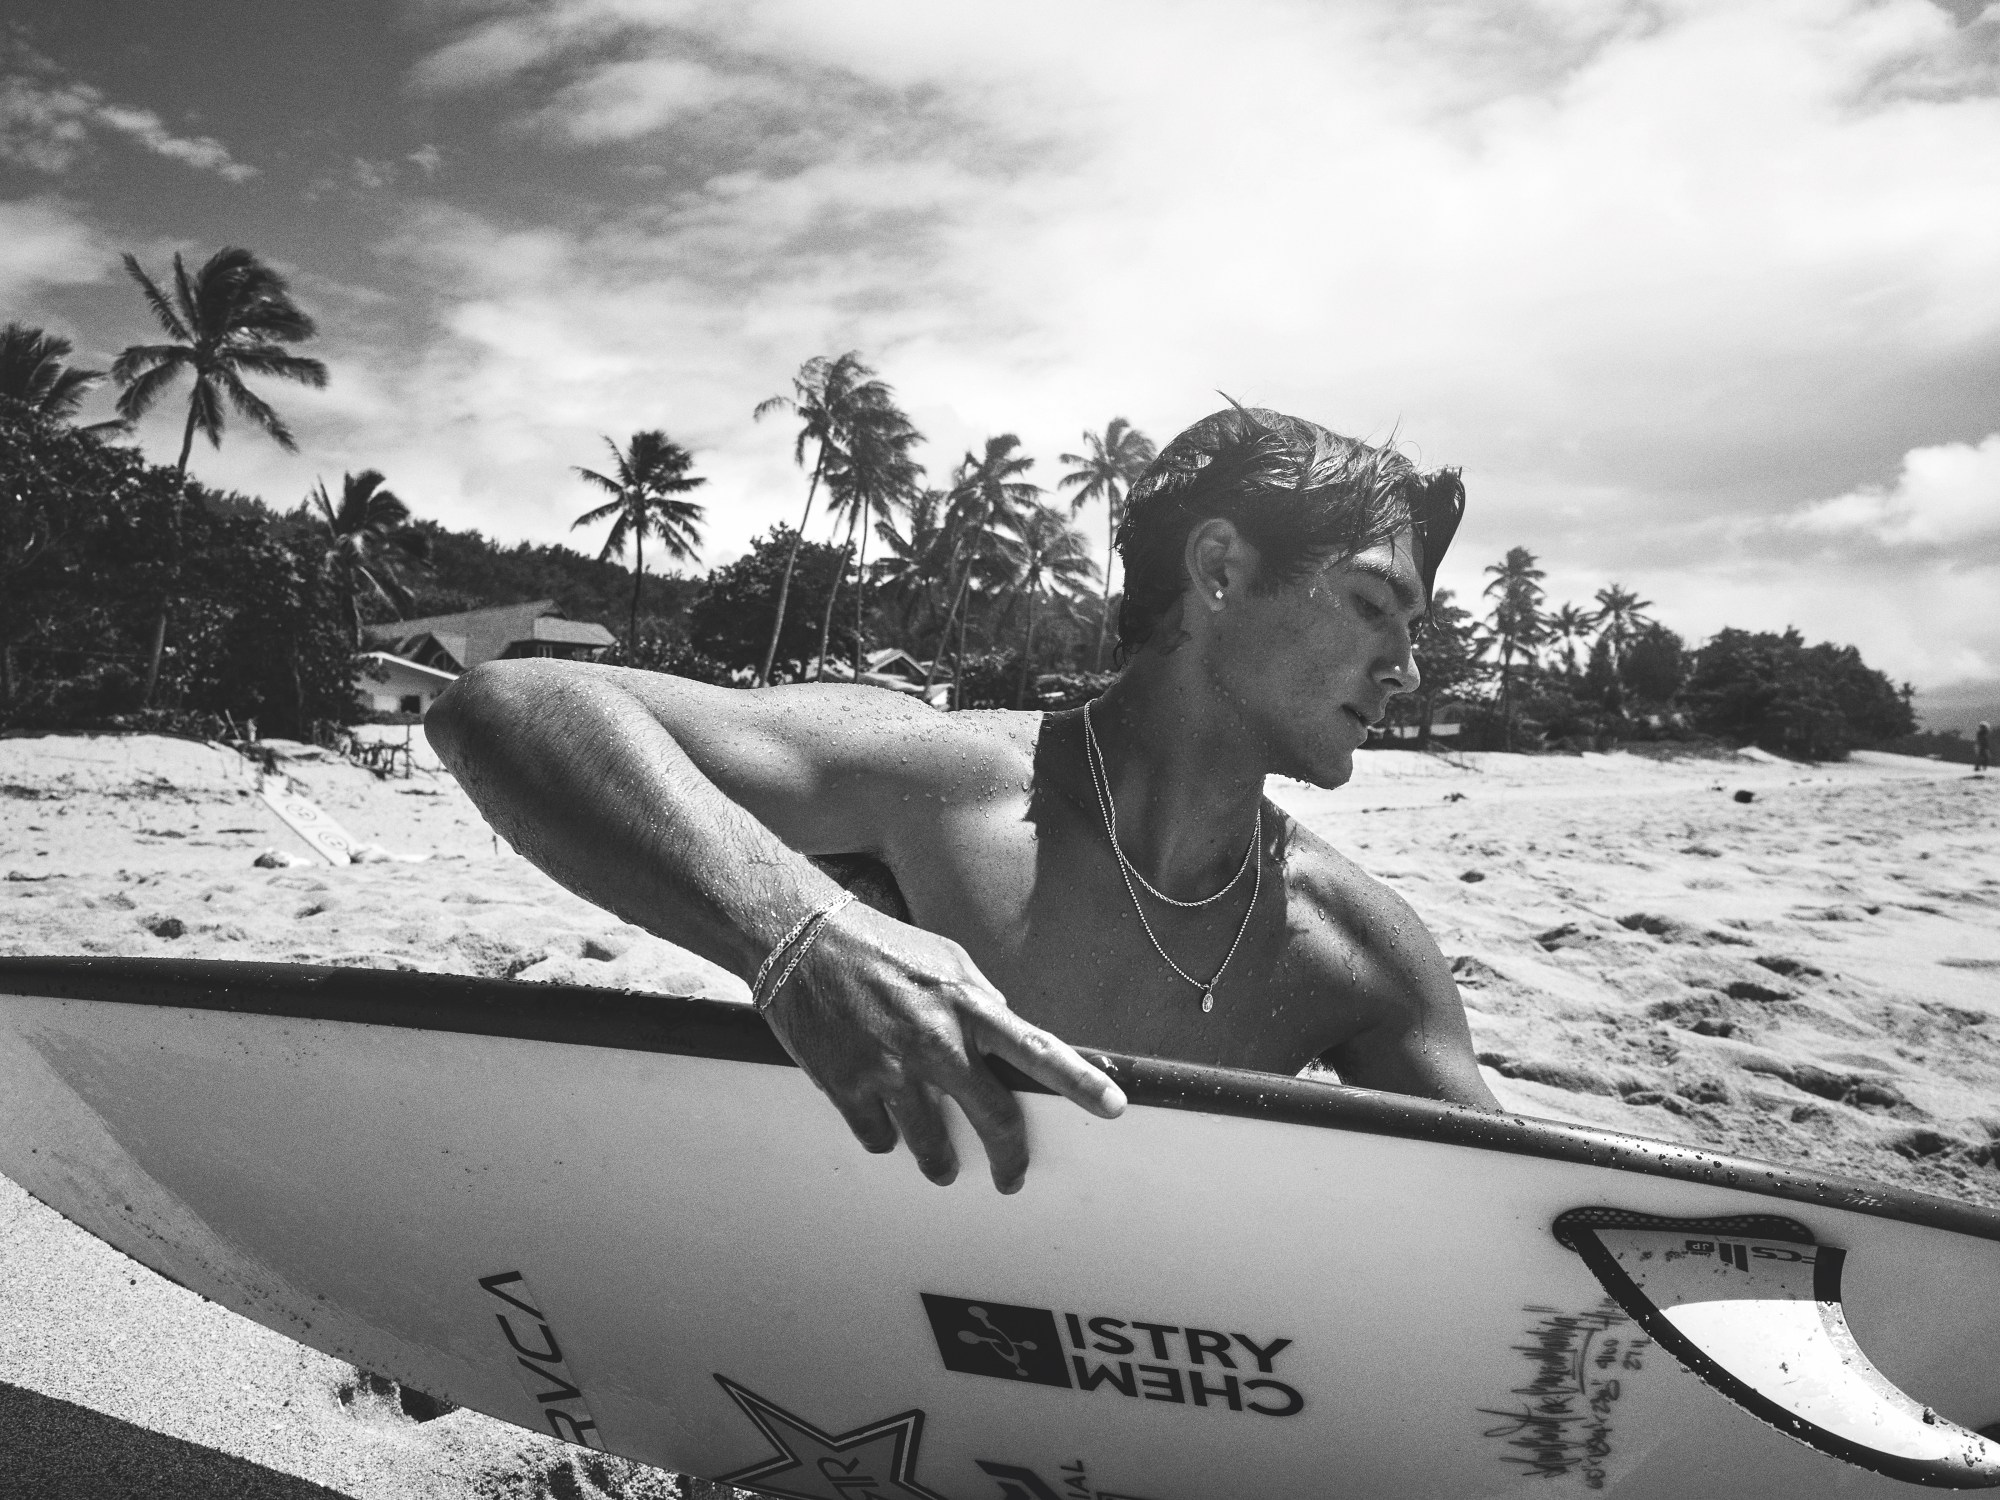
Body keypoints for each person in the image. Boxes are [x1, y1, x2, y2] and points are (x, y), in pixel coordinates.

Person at [427, 405, 1499, 1197]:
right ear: (1218, 569)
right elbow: (512, 702)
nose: (1404, 665)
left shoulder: (1357, 956)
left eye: (1412, 630)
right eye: (1370, 604)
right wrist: (802, 936)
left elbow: (1528, 1231)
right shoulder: (934, 781)